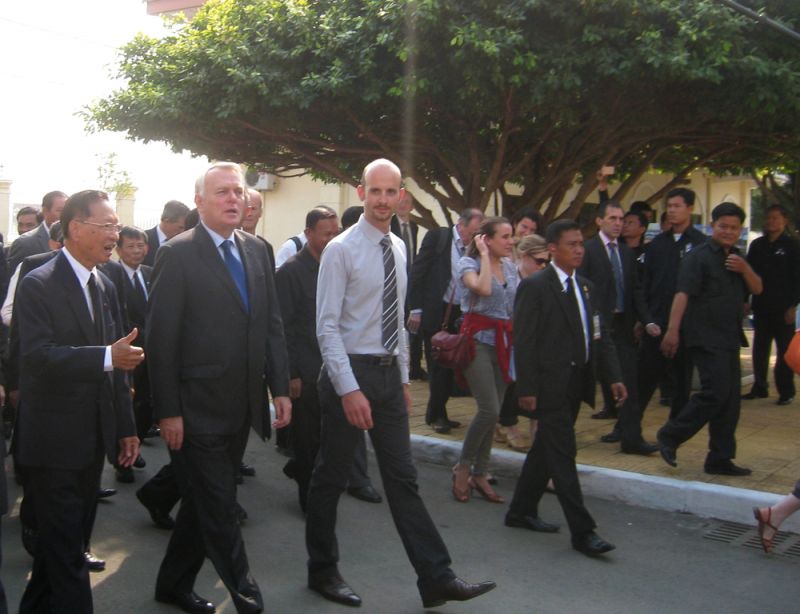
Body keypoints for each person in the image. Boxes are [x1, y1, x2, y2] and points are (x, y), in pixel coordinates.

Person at [306, 158, 495, 608]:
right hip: (348, 374)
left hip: (389, 375)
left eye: (392, 192)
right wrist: (349, 389)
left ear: (401, 195)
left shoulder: (398, 244)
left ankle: (436, 577)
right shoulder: (341, 250)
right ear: (361, 192)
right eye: (376, 191)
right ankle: (322, 571)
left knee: (402, 478)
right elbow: (327, 327)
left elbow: (399, 318)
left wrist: (405, 375)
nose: (384, 200)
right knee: (331, 477)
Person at [147, 162, 291, 613]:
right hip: (195, 409)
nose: (235, 199)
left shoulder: (256, 250)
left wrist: (280, 387)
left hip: (241, 406)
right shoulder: (178, 253)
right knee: (220, 506)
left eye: (239, 191)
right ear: (200, 202)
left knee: (202, 503)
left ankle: (172, 584)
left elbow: (270, 324)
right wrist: (167, 410)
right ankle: (248, 598)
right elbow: (161, 339)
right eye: (223, 192)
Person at [16, 189, 143, 613]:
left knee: (61, 554)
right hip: (52, 444)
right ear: (75, 228)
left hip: (91, 443)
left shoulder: (104, 283)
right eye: (106, 226)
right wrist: (107, 356)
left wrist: (125, 428)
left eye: (116, 226)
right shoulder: (39, 283)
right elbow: (35, 358)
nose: (115, 234)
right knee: (69, 556)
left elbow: (119, 361)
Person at [506, 219, 626, 557]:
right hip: (548, 385)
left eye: (580, 244)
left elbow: (599, 338)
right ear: (553, 249)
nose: (578, 250)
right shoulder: (537, 286)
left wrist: (614, 377)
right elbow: (525, 341)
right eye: (571, 244)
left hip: (578, 382)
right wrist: (526, 388)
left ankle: (521, 510)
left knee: (545, 447)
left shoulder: (585, 286)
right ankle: (583, 532)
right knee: (562, 453)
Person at [277, 206, 383, 511]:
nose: (332, 239)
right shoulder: (291, 273)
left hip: (337, 367)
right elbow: (283, 329)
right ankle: (309, 499)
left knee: (331, 438)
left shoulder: (339, 264)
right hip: (307, 370)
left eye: (336, 233)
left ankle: (305, 472)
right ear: (309, 234)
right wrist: (291, 374)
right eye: (326, 234)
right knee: (308, 438)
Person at [657, 203, 762, 475]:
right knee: (715, 393)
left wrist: (745, 270)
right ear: (712, 226)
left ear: (740, 230)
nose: (728, 232)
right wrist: (672, 330)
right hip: (704, 336)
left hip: (729, 337)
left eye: (734, 228)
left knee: (730, 401)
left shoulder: (738, 258)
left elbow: (757, 288)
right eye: (723, 226)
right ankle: (670, 434)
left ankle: (719, 458)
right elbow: (683, 294)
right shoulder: (699, 256)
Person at [579, 201, 657, 455]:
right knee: (582, 382)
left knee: (630, 382)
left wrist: (648, 321)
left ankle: (631, 438)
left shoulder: (626, 253)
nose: (617, 223)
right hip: (597, 326)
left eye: (621, 219)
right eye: (612, 218)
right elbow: (582, 288)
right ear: (599, 221)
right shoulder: (587, 250)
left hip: (622, 325)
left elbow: (636, 289)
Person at [452, 217, 516, 503]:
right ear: (487, 240)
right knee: (488, 409)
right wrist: (485, 256)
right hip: (477, 342)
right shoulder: (469, 265)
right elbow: (483, 288)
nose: (510, 241)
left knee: (496, 411)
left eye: (511, 236)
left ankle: (481, 471)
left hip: (504, 343)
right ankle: (463, 466)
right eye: (504, 236)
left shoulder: (513, 269)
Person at [408, 208, 484, 433]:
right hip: (436, 311)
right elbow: (418, 272)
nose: (476, 236)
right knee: (438, 364)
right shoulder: (439, 238)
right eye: (473, 231)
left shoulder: (478, 247)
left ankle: (440, 412)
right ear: (461, 224)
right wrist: (416, 309)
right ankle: (436, 415)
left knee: (455, 362)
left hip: (462, 313)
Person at [637, 188, 707, 421]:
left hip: (687, 327)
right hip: (656, 323)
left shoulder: (701, 245)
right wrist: (645, 318)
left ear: (690, 208)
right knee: (643, 381)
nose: (672, 211)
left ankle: (674, 432)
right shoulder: (657, 244)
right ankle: (628, 430)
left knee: (681, 384)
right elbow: (644, 284)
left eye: (677, 206)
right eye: (669, 206)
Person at [102, 226, 153, 483]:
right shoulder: (109, 274)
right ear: (119, 250)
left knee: (146, 404)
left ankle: (136, 445)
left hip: (151, 353)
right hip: (125, 351)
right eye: (130, 246)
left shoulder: (151, 274)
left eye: (140, 245)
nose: (136, 251)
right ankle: (122, 459)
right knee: (126, 405)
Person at [496, 234, 550, 451]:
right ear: (524, 256)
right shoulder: (509, 275)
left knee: (535, 382)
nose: (543, 266)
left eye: (547, 261)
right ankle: (508, 424)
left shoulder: (544, 280)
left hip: (534, 339)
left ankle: (535, 426)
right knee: (510, 383)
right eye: (539, 261)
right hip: (508, 337)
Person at [743, 204, 800, 405]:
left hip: (784, 308)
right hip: (761, 306)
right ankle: (759, 387)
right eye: (769, 218)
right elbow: (747, 273)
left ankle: (786, 390)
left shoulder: (792, 245)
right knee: (759, 350)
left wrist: (793, 305)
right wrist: (746, 300)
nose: (771, 222)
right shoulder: (757, 245)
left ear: (784, 220)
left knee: (784, 352)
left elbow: (797, 278)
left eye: (776, 218)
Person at [391, 193, 424, 380]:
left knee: (414, 322)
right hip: (395, 278)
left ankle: (415, 366)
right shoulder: (389, 224)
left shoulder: (414, 226)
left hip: (411, 279)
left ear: (412, 206)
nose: (403, 205)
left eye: (407, 203)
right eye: (400, 202)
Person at [7, 190, 66, 273]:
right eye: (60, 210)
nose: (65, 215)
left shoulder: (73, 240)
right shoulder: (24, 243)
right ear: (45, 211)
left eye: (67, 211)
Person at [142, 200, 190, 267]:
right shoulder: (143, 239)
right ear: (167, 220)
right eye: (180, 227)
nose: (183, 232)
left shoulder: (185, 243)